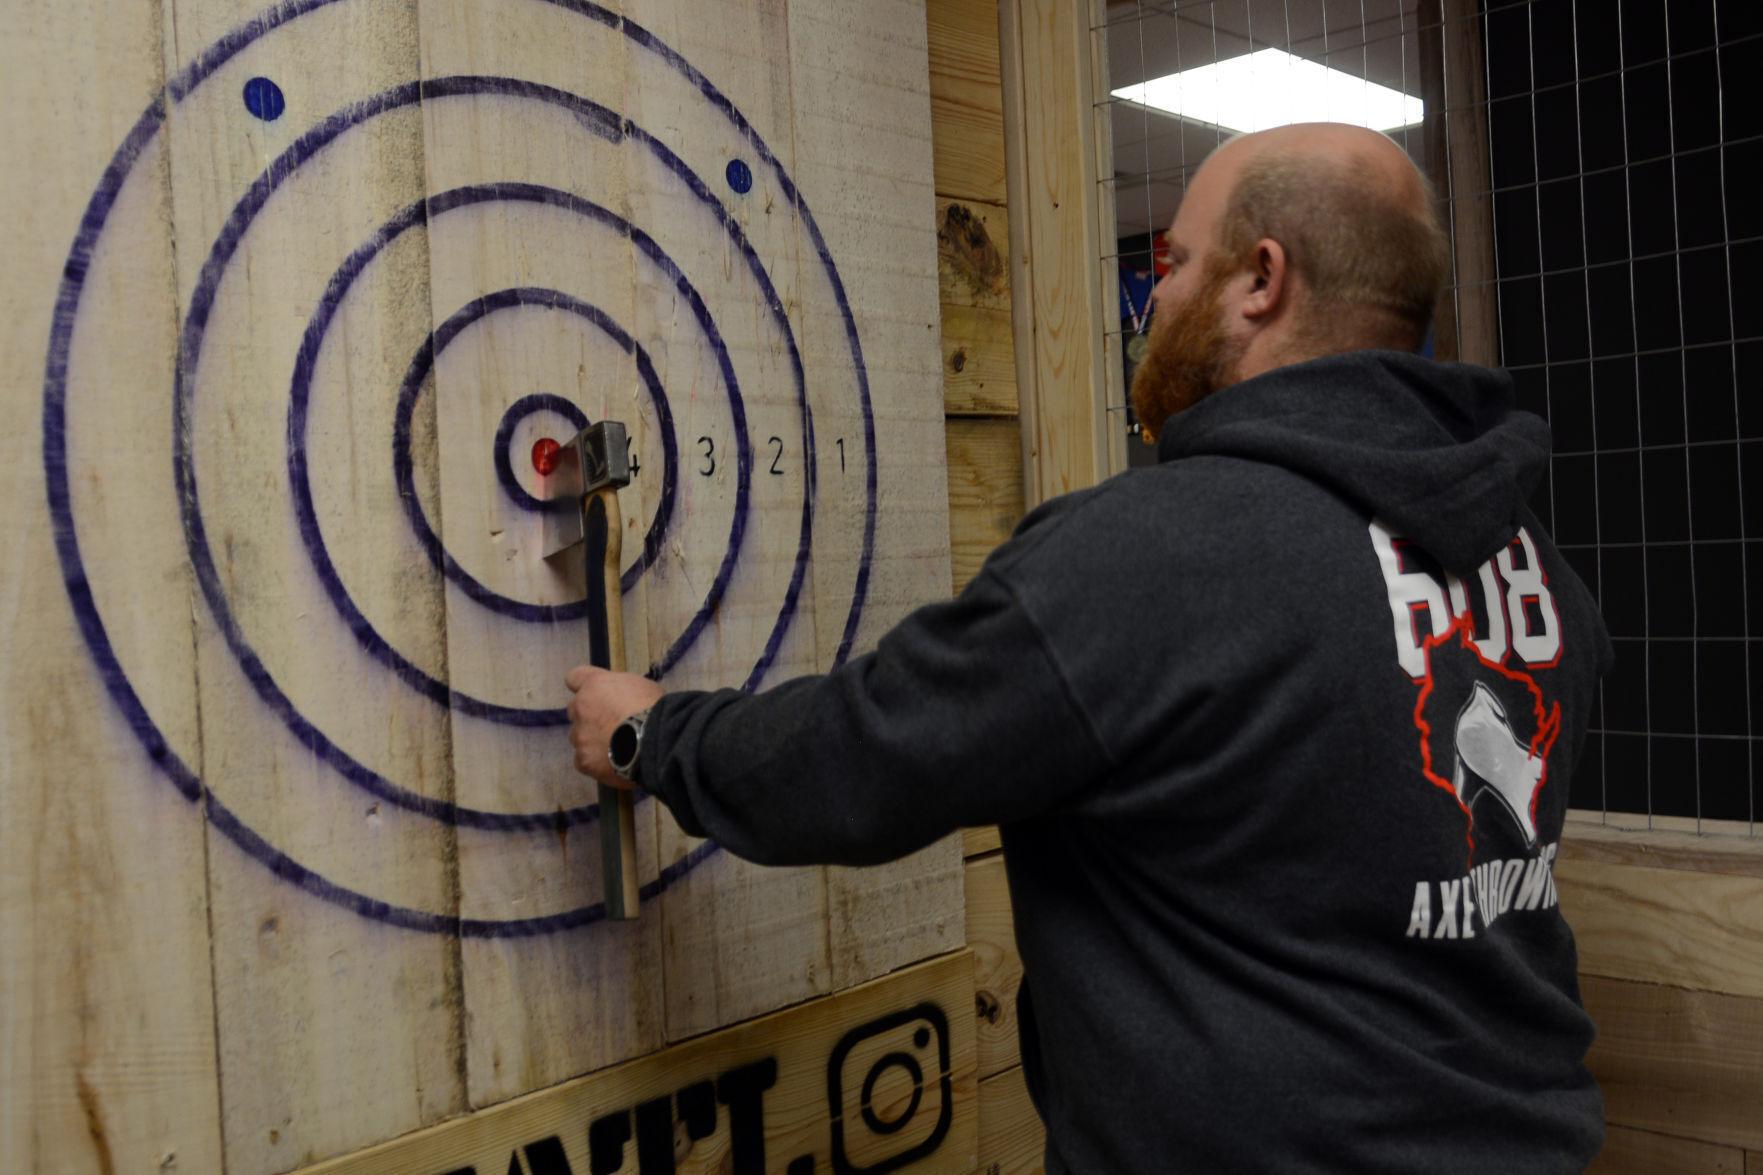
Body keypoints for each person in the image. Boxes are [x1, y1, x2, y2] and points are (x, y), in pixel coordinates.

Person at [566, 122, 1610, 1173]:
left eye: (1175, 262)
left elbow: (863, 755)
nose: (1152, 299)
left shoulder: (1152, 555)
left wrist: (651, 735)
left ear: (1260, 281)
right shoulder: (1528, 565)